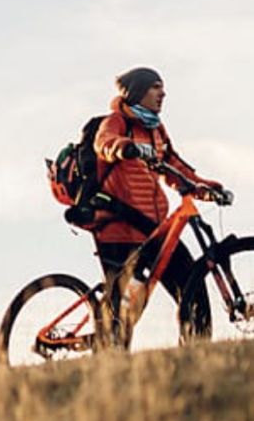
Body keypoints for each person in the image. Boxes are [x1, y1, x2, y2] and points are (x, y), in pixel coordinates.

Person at [92, 67, 226, 346]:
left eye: (162, 87)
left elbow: (174, 167)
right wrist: (124, 147)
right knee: (125, 309)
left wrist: (204, 188)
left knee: (191, 281)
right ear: (137, 92)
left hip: (153, 227)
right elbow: (103, 143)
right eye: (155, 87)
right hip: (119, 226)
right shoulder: (117, 121)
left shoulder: (156, 129)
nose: (162, 93)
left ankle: (196, 352)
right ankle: (110, 363)